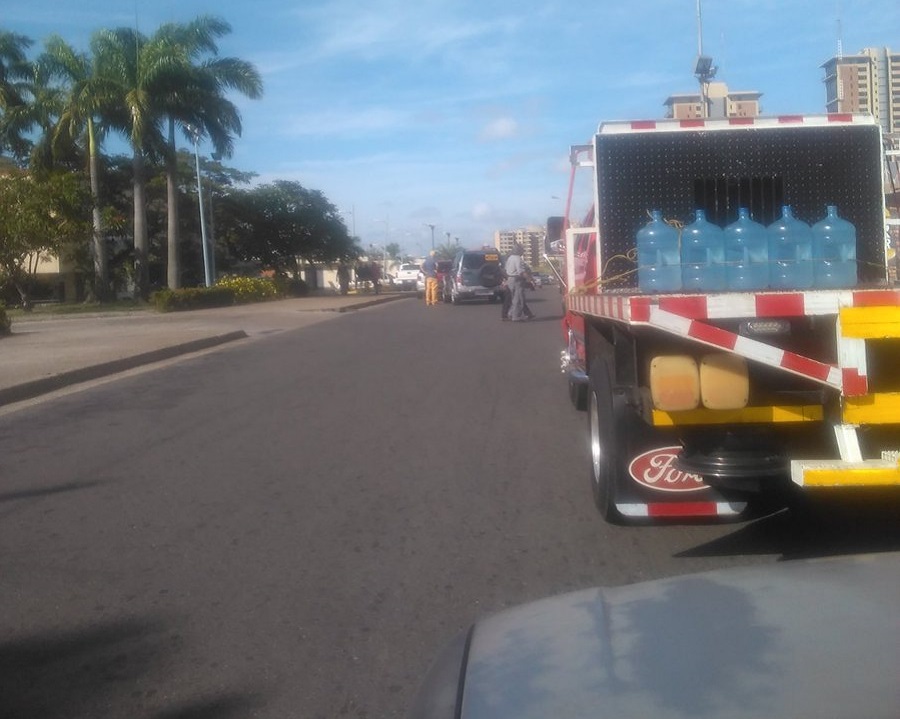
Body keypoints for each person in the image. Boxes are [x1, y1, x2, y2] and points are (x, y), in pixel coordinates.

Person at [504, 243, 532, 321]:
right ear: (519, 251)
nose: (523, 252)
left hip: (510, 279)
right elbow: (521, 271)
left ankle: (510, 314)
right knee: (519, 299)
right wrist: (529, 279)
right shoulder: (518, 259)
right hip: (517, 279)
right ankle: (516, 316)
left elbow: (506, 269)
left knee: (514, 298)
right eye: (522, 250)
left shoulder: (510, 258)